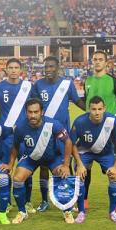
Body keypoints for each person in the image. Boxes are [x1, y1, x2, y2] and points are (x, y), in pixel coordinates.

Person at [32, 56, 85, 212]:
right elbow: (32, 107)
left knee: (64, 166)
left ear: (58, 67)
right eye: (46, 66)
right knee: (43, 167)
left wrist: (92, 111)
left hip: (62, 135)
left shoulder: (67, 84)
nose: (48, 69)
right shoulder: (38, 85)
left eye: (51, 66)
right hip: (43, 134)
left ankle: (67, 200)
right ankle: (44, 201)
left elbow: (77, 101)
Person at [9, 98, 74, 224]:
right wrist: (10, 163)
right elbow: (15, 145)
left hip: (52, 158)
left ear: (42, 112)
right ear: (26, 112)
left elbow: (68, 142)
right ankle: (22, 212)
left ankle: (67, 211)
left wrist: (66, 165)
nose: (33, 115)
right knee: (17, 178)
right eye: (30, 112)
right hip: (31, 158)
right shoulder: (21, 127)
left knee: (64, 175)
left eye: (36, 112)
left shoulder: (53, 124)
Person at [84, 50, 116, 211]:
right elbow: (86, 101)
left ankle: (115, 201)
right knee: (84, 166)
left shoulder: (115, 81)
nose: (97, 62)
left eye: (100, 59)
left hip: (108, 132)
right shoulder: (87, 81)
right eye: (94, 59)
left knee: (110, 168)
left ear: (106, 62)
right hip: (88, 131)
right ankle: (84, 200)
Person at [0, 58, 35, 213]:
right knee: (5, 169)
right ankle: (6, 202)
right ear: (6, 70)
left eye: (16, 67)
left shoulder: (28, 87)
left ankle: (27, 202)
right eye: (10, 67)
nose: (13, 70)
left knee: (26, 170)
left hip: (24, 135)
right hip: (6, 136)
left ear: (20, 70)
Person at [70, 96, 116, 223]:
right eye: (93, 109)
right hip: (84, 152)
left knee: (114, 176)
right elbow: (71, 143)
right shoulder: (79, 122)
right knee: (80, 177)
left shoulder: (112, 120)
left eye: (100, 109)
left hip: (105, 153)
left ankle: (112, 212)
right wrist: (79, 164)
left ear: (104, 108)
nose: (97, 112)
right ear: (88, 109)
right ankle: (81, 212)